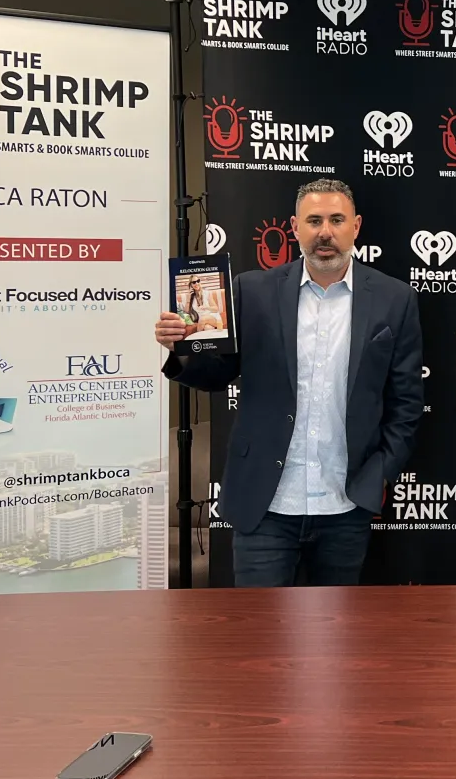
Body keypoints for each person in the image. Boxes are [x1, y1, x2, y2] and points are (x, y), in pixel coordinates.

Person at [155, 179, 423, 587]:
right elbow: (217, 374)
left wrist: (381, 473)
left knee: (335, 640)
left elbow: (405, 401)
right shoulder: (250, 290)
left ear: (356, 226)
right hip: (265, 505)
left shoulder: (394, 298)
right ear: (295, 227)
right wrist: (181, 349)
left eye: (336, 219)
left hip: (345, 505)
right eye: (314, 221)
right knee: (260, 639)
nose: (325, 232)